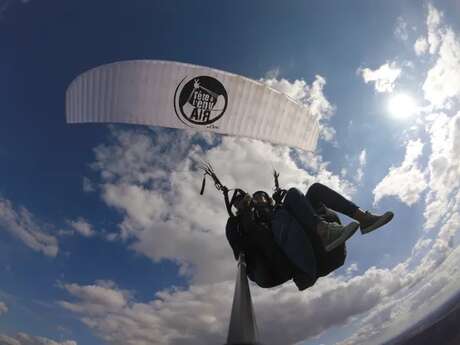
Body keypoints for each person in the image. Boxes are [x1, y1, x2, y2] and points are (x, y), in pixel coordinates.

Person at [225, 182, 394, 290]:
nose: (260, 200)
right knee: (288, 202)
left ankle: (364, 219)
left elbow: (294, 215)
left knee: (313, 190)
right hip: (301, 264)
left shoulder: (282, 211)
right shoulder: (244, 224)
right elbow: (243, 250)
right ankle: (325, 231)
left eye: (263, 197)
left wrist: (280, 203)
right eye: (256, 198)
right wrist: (246, 214)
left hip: (326, 250)